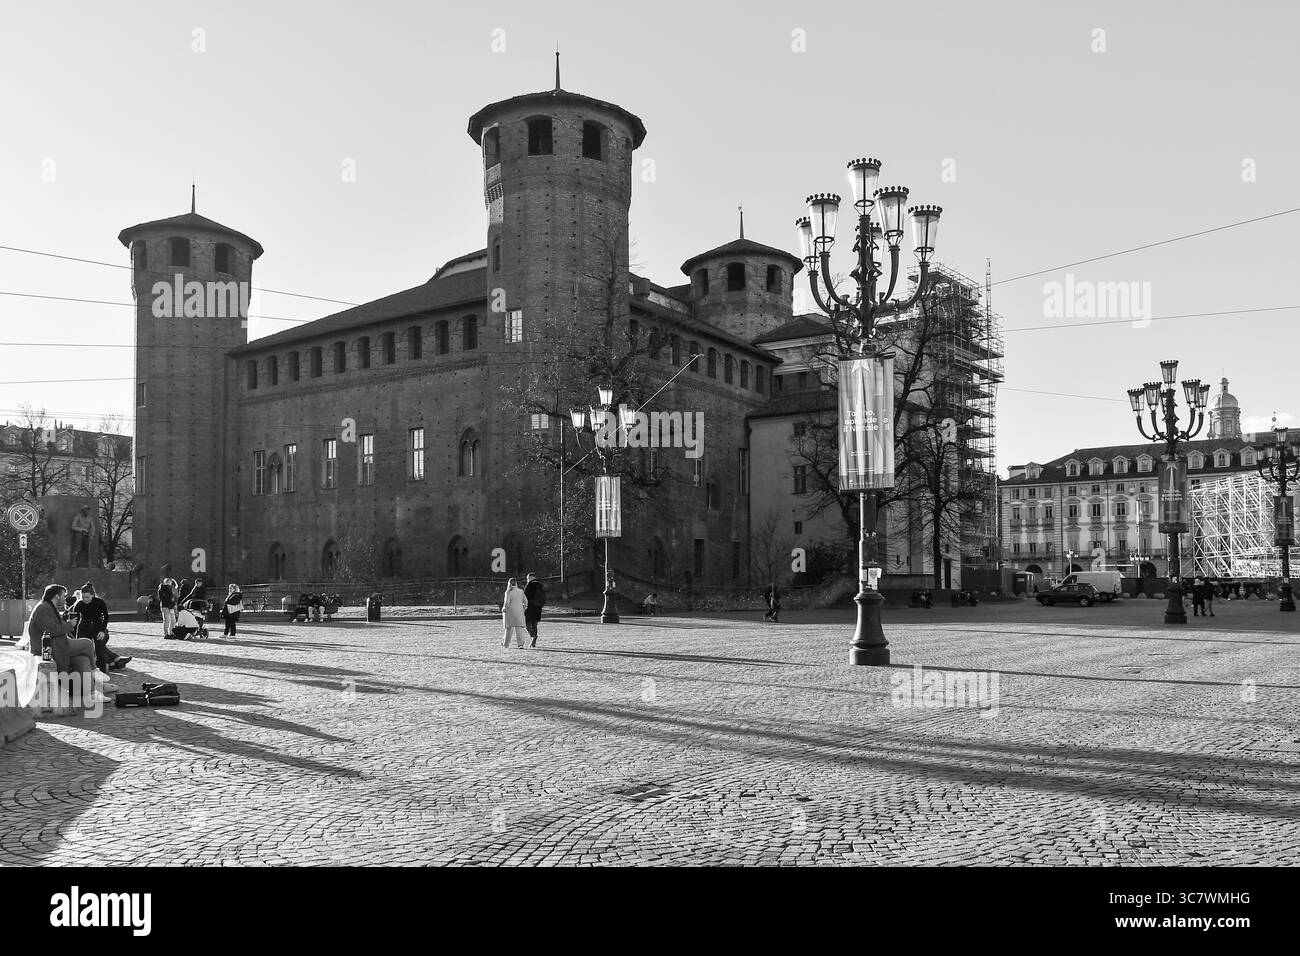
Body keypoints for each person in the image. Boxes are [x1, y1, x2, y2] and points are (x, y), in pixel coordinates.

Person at [26, 584, 107, 705]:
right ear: (57, 596)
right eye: (64, 595)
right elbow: (53, 630)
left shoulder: (48, 606)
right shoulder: (43, 608)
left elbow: (56, 627)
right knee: (87, 643)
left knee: (82, 660)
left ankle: (90, 693)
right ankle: (95, 670)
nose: (65, 598)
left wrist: (68, 624)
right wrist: (70, 625)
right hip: (50, 648)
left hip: (58, 644)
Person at [71, 582, 131, 673]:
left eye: (87, 597)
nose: (85, 599)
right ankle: (83, 671)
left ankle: (102, 672)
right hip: (84, 625)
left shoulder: (99, 602)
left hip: (97, 625)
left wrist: (102, 630)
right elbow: (75, 618)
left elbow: (106, 617)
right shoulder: (79, 604)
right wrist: (75, 633)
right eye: (83, 597)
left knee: (99, 650)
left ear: (92, 595)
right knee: (82, 648)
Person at [501, 578, 527, 648]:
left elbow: (506, 603)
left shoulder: (508, 592)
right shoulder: (521, 591)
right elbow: (525, 601)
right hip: (519, 612)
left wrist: (504, 609)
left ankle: (506, 644)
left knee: (508, 629)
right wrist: (524, 607)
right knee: (520, 629)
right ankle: (520, 644)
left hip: (510, 612)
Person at [523, 572, 546, 648]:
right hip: (538, 608)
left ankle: (533, 636)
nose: (527, 580)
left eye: (527, 578)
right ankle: (533, 642)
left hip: (530, 608)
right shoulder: (540, 585)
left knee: (527, 625)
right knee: (534, 625)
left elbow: (525, 597)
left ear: (530, 578)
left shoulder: (529, 585)